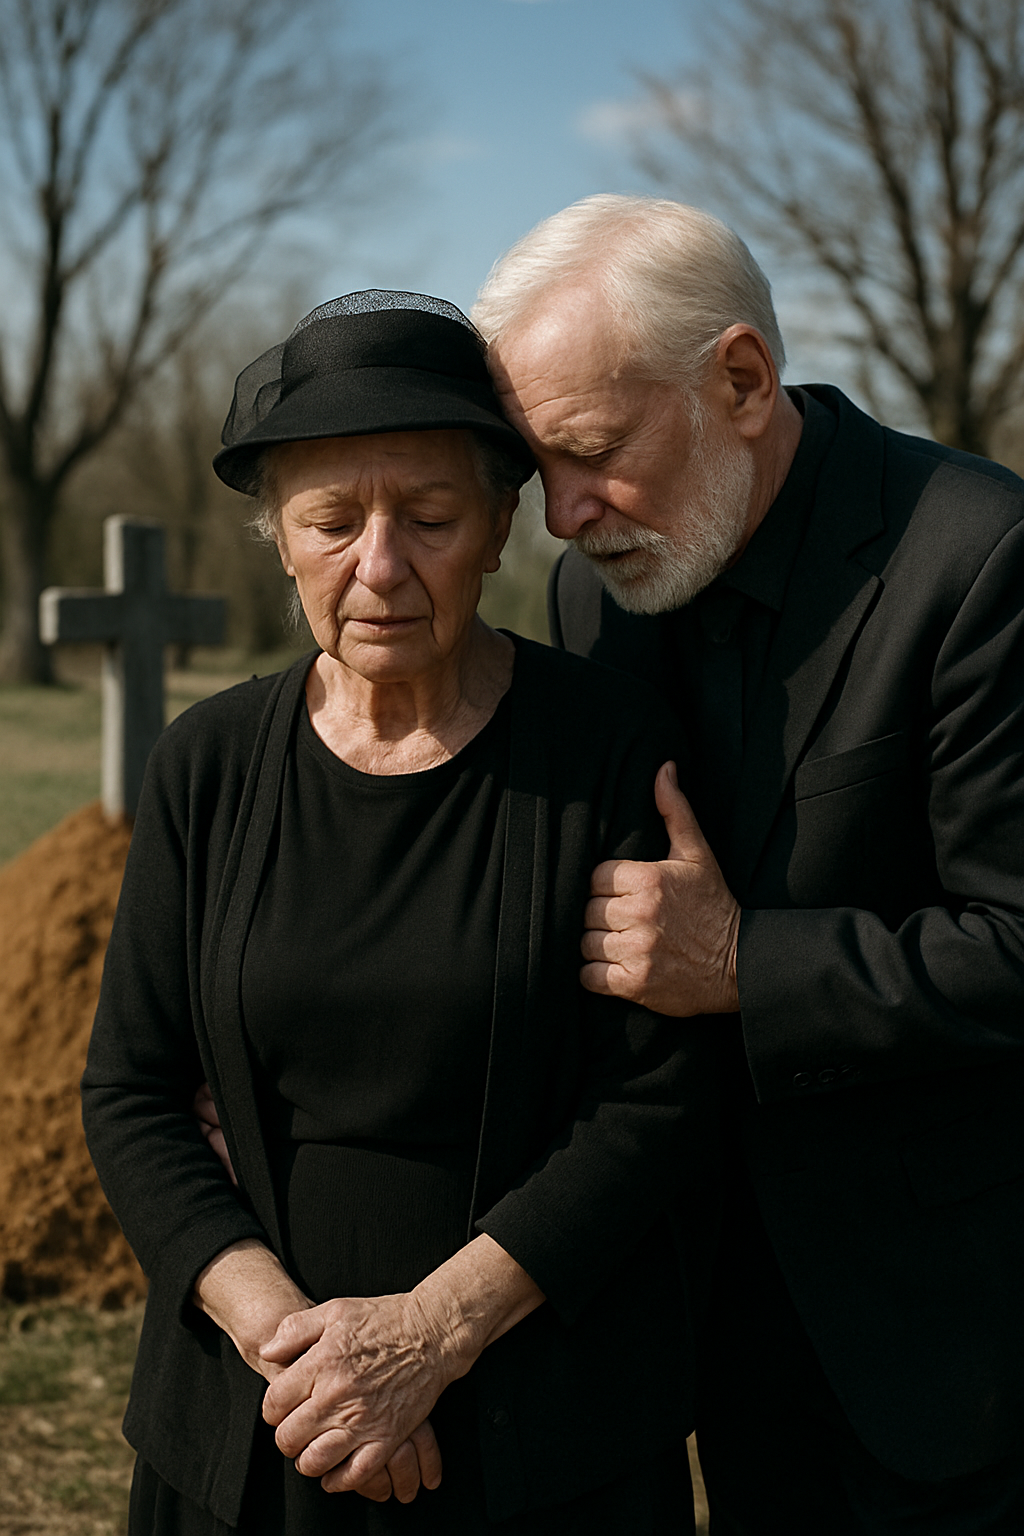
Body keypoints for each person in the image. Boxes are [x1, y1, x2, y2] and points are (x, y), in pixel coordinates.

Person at [81, 290, 714, 1536]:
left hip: (541, 1430)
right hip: (257, 1423)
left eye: (428, 518)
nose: (379, 567)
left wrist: (429, 1336)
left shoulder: (607, 750)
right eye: (330, 521)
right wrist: (300, 1351)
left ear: (498, 527)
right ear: (279, 540)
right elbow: (131, 1091)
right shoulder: (203, 764)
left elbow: (658, 1099)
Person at [472, 195, 1024, 1534]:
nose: (558, 514)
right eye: (533, 467)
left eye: (591, 451)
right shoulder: (593, 589)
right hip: (695, 1330)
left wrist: (743, 964)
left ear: (740, 378)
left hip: (954, 1338)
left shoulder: (982, 556)